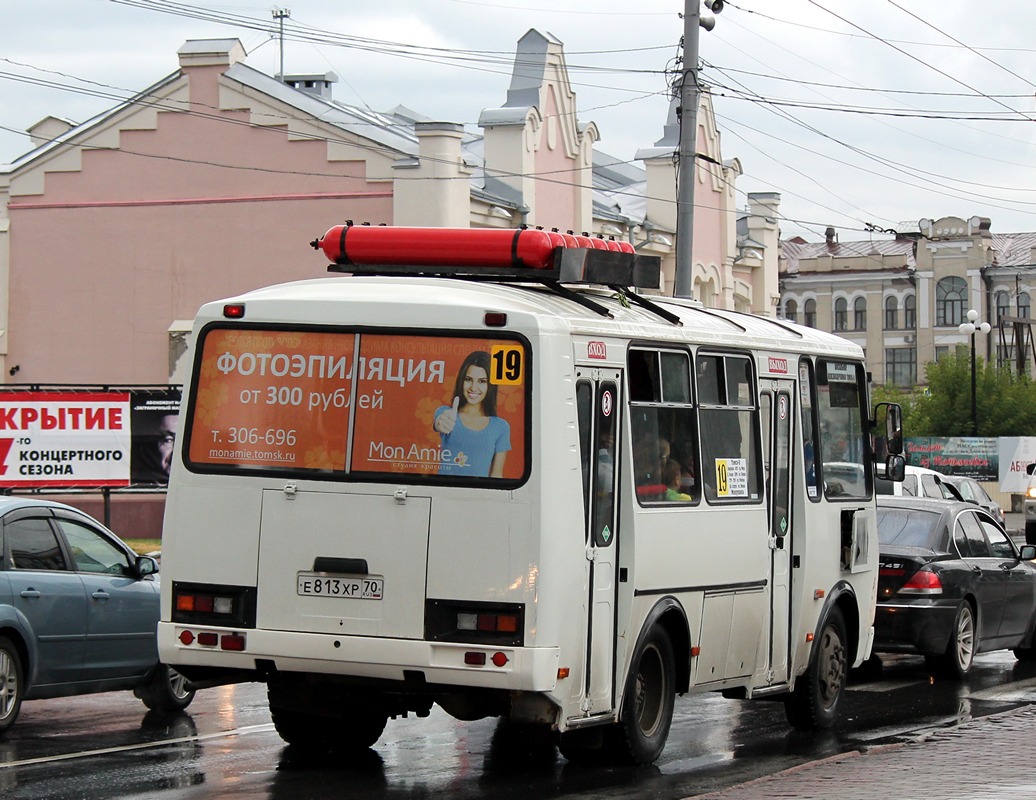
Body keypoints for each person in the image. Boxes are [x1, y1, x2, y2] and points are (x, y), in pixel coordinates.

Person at [434, 351, 510, 478]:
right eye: (468, 380)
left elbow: (496, 475)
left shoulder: (501, 427)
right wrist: (440, 423)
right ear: (461, 380)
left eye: (482, 381)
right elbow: (439, 422)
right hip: (445, 494)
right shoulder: (446, 413)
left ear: (490, 385)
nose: (473, 387)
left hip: (479, 496)